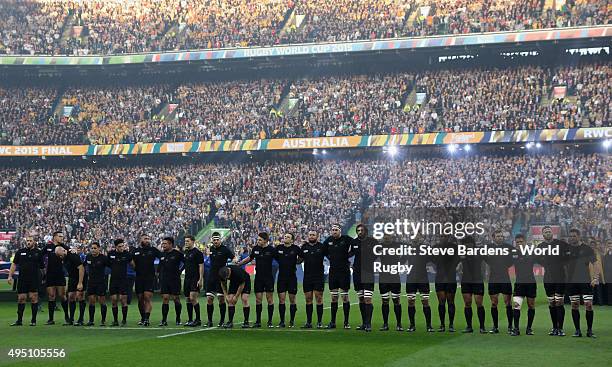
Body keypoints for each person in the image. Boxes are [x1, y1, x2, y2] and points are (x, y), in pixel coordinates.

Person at [236, 232, 275, 328]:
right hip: (259, 277)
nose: (258, 241)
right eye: (258, 239)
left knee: (269, 299)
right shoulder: (256, 249)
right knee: (258, 300)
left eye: (260, 240)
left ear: (265, 240)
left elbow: (280, 259)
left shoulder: (271, 250)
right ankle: (258, 321)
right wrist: (240, 263)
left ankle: (270, 321)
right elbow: (250, 258)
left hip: (269, 277)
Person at [538, 226, 571, 336]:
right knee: (552, 303)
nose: (548, 233)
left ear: (553, 233)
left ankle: (560, 328)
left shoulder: (561, 244)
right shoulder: (540, 246)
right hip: (548, 278)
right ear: (543, 235)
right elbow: (538, 259)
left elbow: (569, 256)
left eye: (549, 231)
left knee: (559, 302)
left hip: (560, 277)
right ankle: (554, 327)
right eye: (546, 232)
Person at [566, 229, 599, 338]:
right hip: (571, 282)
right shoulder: (567, 249)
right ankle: (577, 330)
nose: (572, 238)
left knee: (588, 305)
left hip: (585, 281)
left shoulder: (587, 249)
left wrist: (595, 277)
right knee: (574, 306)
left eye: (574, 236)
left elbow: (595, 263)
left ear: (579, 236)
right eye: (570, 236)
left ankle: (589, 331)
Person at [8, 235, 45, 326]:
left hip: (34, 279)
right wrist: (10, 276)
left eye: (30, 241)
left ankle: (33, 321)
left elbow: (42, 268)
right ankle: (19, 321)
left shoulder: (38, 252)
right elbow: (14, 264)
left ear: (34, 242)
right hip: (22, 279)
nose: (28, 242)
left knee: (33, 298)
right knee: (21, 299)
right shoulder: (20, 252)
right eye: (27, 240)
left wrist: (43, 278)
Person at [323, 224, 353, 329]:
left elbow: (355, 246)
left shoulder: (346, 239)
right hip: (333, 271)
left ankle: (346, 322)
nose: (334, 231)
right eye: (333, 230)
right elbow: (324, 250)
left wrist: (348, 255)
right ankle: (333, 321)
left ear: (340, 231)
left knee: (344, 296)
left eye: (336, 230)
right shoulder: (328, 240)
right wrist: (330, 256)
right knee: (334, 297)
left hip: (344, 271)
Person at [486, 229, 514, 334]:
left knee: (508, 303)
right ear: (493, 237)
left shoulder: (508, 247)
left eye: (501, 236)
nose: (500, 237)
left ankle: (510, 326)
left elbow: (514, 256)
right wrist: (491, 263)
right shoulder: (488, 247)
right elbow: (484, 257)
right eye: (498, 236)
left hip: (505, 278)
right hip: (493, 278)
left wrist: (507, 265)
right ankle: (495, 326)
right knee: (494, 303)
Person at [206, 232, 235, 327]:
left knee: (221, 299)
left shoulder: (225, 249)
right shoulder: (211, 249)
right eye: (214, 240)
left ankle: (222, 321)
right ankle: (209, 321)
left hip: (221, 277)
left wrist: (234, 261)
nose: (216, 241)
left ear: (220, 240)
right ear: (212, 240)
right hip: (211, 277)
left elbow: (233, 257)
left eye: (217, 239)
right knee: (209, 299)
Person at [405, 234, 434, 332]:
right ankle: (412, 325)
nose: (415, 238)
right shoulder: (407, 249)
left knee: (425, 301)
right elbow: (401, 260)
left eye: (417, 236)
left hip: (423, 278)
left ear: (419, 238)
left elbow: (433, 259)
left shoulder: (424, 248)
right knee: (411, 302)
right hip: (411, 279)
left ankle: (429, 326)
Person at [458, 236, 486, 333]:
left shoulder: (478, 252)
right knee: (467, 303)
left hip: (477, 280)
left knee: (479, 303)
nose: (467, 245)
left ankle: (482, 327)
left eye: (469, 243)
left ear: (472, 244)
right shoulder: (461, 253)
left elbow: (488, 258)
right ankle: (469, 327)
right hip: (466, 281)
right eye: (465, 244)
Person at [510, 234, 537, 336]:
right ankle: (516, 329)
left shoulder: (532, 252)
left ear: (525, 242)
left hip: (531, 283)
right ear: (515, 243)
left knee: (531, 305)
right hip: (519, 283)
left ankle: (529, 328)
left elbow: (541, 260)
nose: (519, 243)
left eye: (521, 241)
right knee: (516, 306)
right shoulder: (513, 253)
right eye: (517, 242)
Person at [299, 230, 326, 329]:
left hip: (318, 277)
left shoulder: (322, 247)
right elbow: (299, 260)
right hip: (307, 277)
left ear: (317, 236)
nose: (311, 236)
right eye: (310, 235)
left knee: (319, 298)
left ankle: (319, 322)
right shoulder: (304, 247)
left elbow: (330, 256)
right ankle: (309, 322)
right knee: (308, 299)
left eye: (313, 235)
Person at [132, 233, 161, 326]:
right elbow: (130, 259)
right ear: (141, 240)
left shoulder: (153, 250)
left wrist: (158, 270)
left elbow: (163, 257)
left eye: (148, 238)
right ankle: (143, 317)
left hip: (149, 277)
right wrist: (134, 266)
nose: (147, 240)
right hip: (139, 277)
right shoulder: (135, 251)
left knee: (147, 297)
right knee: (140, 298)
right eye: (145, 238)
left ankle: (147, 319)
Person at [351, 224, 376, 332]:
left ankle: (368, 324)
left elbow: (379, 253)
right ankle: (364, 323)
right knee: (361, 298)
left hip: (368, 272)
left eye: (361, 230)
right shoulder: (354, 242)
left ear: (366, 231)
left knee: (367, 298)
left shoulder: (373, 241)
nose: (359, 232)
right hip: (357, 273)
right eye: (358, 230)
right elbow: (348, 254)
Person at [43, 231, 71, 325]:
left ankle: (67, 316)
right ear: (54, 237)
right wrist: (43, 268)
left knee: (62, 296)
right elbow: (40, 256)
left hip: (60, 274)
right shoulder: (48, 247)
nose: (61, 238)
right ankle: (51, 319)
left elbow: (71, 254)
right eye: (60, 236)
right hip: (50, 275)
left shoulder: (64, 247)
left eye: (62, 236)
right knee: (51, 296)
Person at [433, 236, 459, 332]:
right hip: (440, 278)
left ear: (448, 237)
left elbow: (458, 258)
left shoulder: (454, 247)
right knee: (441, 301)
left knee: (451, 301)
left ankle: (451, 324)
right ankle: (442, 324)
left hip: (450, 278)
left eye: (445, 235)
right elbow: (432, 259)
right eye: (442, 235)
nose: (443, 237)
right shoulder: (436, 247)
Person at [274, 233, 301, 328]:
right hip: (281, 277)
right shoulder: (278, 248)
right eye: (285, 236)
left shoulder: (296, 249)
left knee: (292, 299)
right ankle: (282, 321)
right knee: (281, 300)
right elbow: (276, 257)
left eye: (288, 237)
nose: (285, 238)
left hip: (292, 278)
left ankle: (292, 321)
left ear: (292, 240)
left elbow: (301, 257)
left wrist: (296, 262)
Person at [377, 235, 403, 332]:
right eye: (385, 235)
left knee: (396, 300)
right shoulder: (379, 246)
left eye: (388, 235)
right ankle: (385, 324)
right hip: (383, 276)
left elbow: (403, 257)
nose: (386, 237)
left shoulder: (397, 245)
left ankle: (399, 324)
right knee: (385, 300)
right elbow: (372, 255)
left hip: (394, 276)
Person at [158, 237, 184, 327]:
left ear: (170, 244)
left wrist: (180, 270)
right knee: (165, 298)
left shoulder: (178, 254)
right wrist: (158, 274)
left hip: (175, 280)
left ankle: (178, 319)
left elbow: (185, 263)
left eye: (165, 244)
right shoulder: (162, 254)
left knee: (176, 299)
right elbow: (160, 266)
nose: (163, 245)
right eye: (163, 243)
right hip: (165, 280)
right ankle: (164, 320)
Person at [107, 239, 133, 327]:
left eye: (123, 246)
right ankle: (115, 321)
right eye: (119, 246)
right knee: (114, 300)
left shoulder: (127, 254)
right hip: (114, 280)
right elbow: (108, 264)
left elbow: (133, 264)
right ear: (116, 247)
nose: (122, 248)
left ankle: (124, 320)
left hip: (123, 280)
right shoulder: (111, 254)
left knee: (123, 300)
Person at [84, 242, 108, 326]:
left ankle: (103, 320)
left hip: (101, 282)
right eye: (92, 248)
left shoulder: (103, 258)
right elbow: (83, 266)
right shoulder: (88, 257)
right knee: (91, 301)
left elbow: (110, 266)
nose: (93, 250)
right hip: (91, 282)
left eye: (95, 248)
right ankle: (91, 320)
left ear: (99, 249)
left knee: (102, 301)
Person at [183, 235, 204, 327]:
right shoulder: (186, 252)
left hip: (195, 278)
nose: (186, 243)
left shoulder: (197, 253)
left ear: (193, 241)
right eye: (185, 241)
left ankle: (198, 319)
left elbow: (201, 266)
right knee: (188, 299)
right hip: (187, 278)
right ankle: (190, 319)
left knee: (193, 298)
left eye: (188, 241)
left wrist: (200, 279)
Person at [63, 243, 85, 326]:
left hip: (80, 277)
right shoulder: (63, 258)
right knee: (71, 296)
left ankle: (81, 319)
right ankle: (71, 319)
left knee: (80, 296)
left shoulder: (73, 256)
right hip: (72, 277)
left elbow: (81, 268)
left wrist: (80, 282)